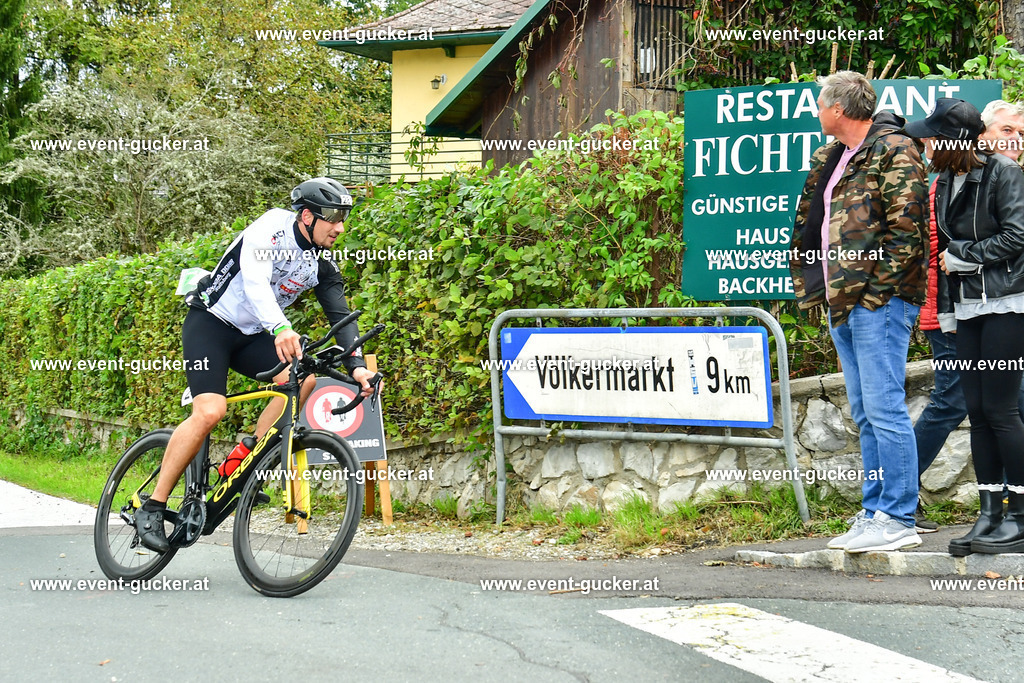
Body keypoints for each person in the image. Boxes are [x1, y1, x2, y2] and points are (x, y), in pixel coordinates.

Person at [134, 177, 379, 553]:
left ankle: (243, 462)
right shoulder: (270, 228)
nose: (340, 228)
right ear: (307, 216)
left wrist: (358, 367)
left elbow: (340, 316)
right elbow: (254, 281)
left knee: (304, 380)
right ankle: (152, 506)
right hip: (211, 323)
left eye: (344, 218)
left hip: (251, 334)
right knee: (210, 411)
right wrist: (281, 328)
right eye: (333, 218)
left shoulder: (321, 264)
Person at [790, 71, 929, 553]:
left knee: (885, 407)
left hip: (879, 303)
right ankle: (874, 512)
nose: (816, 110)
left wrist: (876, 294)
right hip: (841, 300)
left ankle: (898, 516)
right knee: (868, 412)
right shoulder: (832, 156)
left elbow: (907, 230)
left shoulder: (895, 149)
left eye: (820, 103)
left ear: (840, 109)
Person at [917, 99, 1024, 556]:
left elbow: (1018, 235)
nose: (924, 145)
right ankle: (989, 514)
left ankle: (1017, 518)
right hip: (965, 309)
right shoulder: (943, 182)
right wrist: (945, 311)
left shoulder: (1003, 171)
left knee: (1001, 411)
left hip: (1006, 304)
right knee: (977, 413)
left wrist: (966, 254)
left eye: (930, 137)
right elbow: (939, 258)